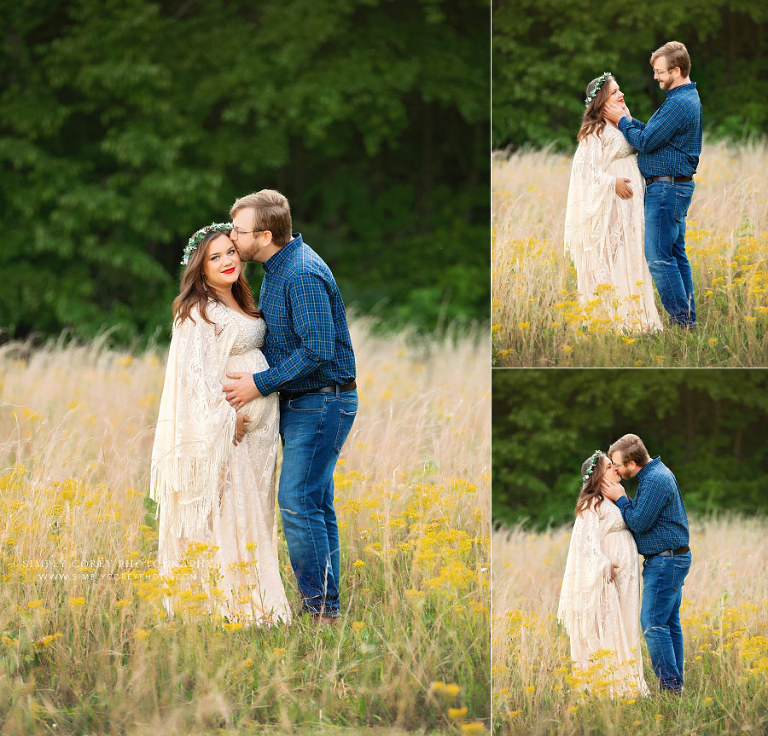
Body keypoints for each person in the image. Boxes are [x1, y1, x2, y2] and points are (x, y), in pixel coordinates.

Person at [222, 190, 357, 624]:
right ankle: (327, 606)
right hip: (307, 402)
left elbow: (318, 348)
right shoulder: (276, 268)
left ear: (263, 235)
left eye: (238, 231)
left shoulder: (300, 273)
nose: (231, 237)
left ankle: (321, 611)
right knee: (316, 503)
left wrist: (259, 384)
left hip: (322, 401)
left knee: (298, 501)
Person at [150, 223, 291, 625]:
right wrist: (228, 421)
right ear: (201, 267)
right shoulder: (199, 312)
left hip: (259, 436)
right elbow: (194, 378)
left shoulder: (241, 300)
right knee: (229, 509)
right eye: (215, 257)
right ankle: (230, 605)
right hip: (229, 434)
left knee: (255, 511)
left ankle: (256, 596)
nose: (228, 261)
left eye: (230, 251)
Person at [604, 41, 703, 330]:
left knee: (659, 258)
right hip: (673, 188)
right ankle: (688, 320)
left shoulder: (680, 103)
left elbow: (645, 142)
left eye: (659, 72)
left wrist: (622, 122)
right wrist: (631, 121)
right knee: (676, 254)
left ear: (676, 70)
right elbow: (654, 134)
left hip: (667, 190)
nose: (656, 77)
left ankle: (682, 322)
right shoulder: (681, 99)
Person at [564, 72, 663, 332]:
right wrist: (612, 183)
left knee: (632, 251)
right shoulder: (595, 131)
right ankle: (615, 319)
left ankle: (638, 318)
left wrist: (625, 116)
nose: (621, 95)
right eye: (615, 92)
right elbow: (585, 170)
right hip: (614, 202)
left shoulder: (622, 122)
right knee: (616, 253)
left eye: (620, 91)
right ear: (602, 101)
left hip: (632, 203)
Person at [602, 433, 691, 694]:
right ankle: (676, 686)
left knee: (652, 624)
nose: (615, 469)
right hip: (670, 558)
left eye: (617, 464)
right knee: (669, 623)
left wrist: (620, 498)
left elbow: (639, 522)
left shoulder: (654, 480)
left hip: (666, 560)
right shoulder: (654, 475)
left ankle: (671, 688)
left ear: (632, 464)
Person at [557, 451, 649, 697]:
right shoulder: (592, 504)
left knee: (627, 623)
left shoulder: (615, 498)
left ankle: (629, 682)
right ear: (598, 475)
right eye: (610, 467)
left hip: (627, 579)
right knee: (611, 625)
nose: (616, 469)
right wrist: (603, 563)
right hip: (607, 578)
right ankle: (611, 687)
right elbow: (584, 544)